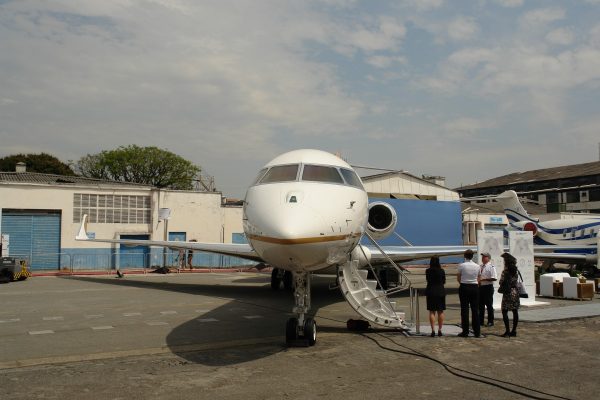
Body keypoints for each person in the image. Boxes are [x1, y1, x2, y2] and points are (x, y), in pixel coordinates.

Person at [457, 249, 481, 337]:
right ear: (472, 256)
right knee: (475, 310)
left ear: (465, 256)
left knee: (464, 310)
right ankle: (477, 332)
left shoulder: (461, 265)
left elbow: (458, 277)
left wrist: (463, 283)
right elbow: (479, 278)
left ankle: (465, 331)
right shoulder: (477, 266)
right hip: (474, 287)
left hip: (464, 286)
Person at [498, 252, 520, 337]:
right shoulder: (516, 271)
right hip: (515, 291)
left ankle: (507, 331)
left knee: (504, 311)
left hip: (507, 292)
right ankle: (514, 331)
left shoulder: (505, 272)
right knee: (515, 311)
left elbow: (501, 282)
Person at [425, 256, 446, 337]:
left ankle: (433, 330)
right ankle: (440, 329)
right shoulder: (441, 271)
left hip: (431, 291)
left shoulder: (428, 271)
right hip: (440, 291)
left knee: (432, 311)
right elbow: (444, 281)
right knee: (440, 311)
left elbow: (428, 280)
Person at [479, 252, 497, 327]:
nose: (482, 258)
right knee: (480, 305)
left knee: (489, 305)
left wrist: (484, 279)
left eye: (484, 257)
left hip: (488, 287)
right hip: (480, 287)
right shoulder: (480, 266)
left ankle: (490, 321)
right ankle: (480, 321)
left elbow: (494, 278)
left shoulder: (491, 267)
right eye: (482, 257)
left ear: (488, 258)